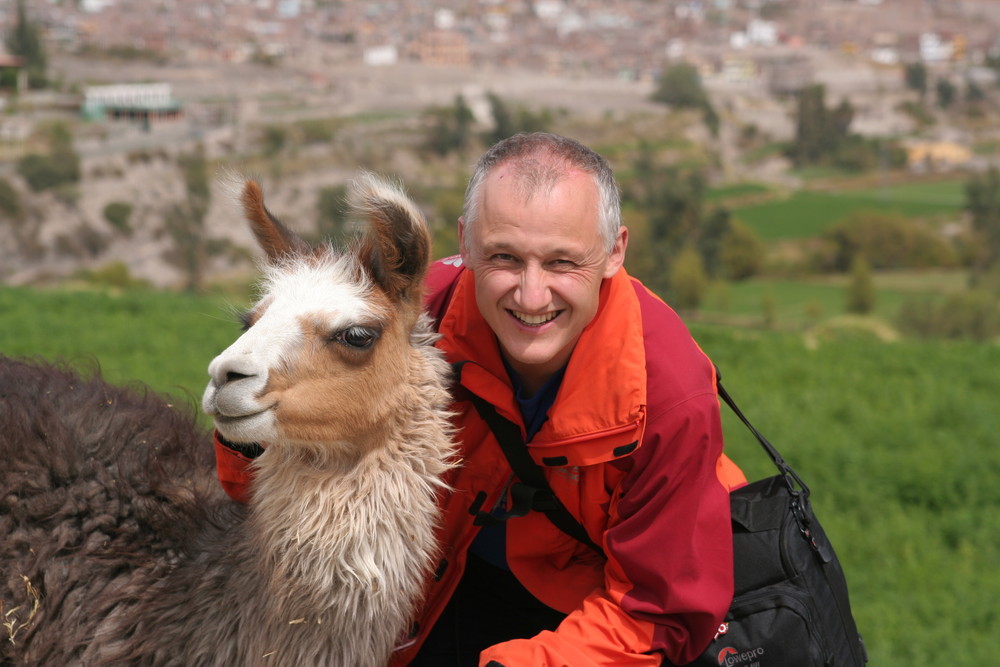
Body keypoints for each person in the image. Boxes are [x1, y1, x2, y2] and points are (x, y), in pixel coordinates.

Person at [215, 132, 746, 666]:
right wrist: (250, 438)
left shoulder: (665, 393)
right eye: (505, 258)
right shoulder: (421, 313)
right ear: (466, 243)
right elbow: (270, 471)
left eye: (562, 262)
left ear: (614, 252)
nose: (532, 295)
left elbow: (658, 608)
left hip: (594, 612)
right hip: (446, 577)